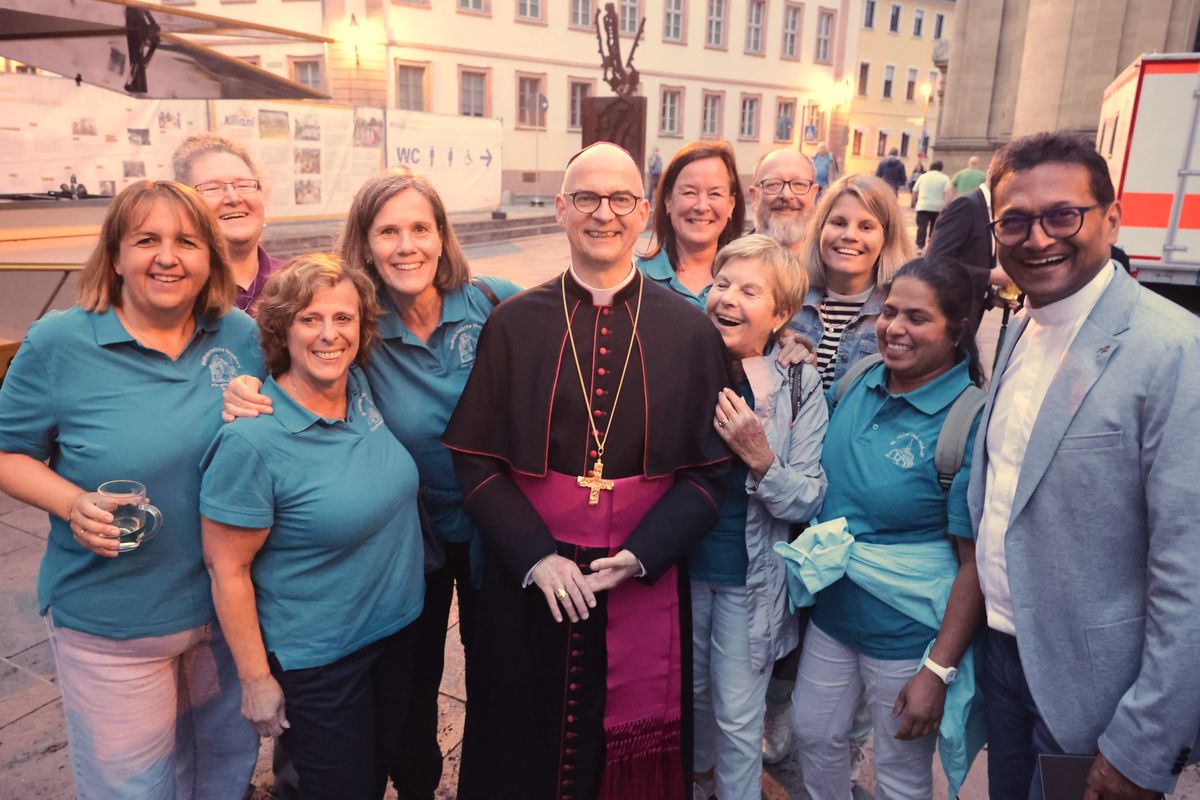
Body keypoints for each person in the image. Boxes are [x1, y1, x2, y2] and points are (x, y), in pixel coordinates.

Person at [220, 167, 522, 800]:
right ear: (365, 241)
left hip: (497, 531)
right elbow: (276, 364)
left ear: (443, 237)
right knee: (412, 694)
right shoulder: (354, 324)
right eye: (388, 231)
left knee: (502, 678)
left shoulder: (495, 303)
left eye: (420, 227)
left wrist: (769, 337)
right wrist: (240, 389)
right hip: (411, 542)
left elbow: (580, 330)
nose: (406, 245)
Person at [442, 142, 730, 799]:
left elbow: (710, 475)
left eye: (621, 199)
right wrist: (536, 557)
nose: (605, 214)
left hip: (637, 577)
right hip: (533, 583)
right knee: (520, 741)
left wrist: (643, 554)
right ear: (559, 210)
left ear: (643, 213)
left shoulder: (689, 333)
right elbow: (475, 460)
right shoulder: (514, 325)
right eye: (587, 199)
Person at [0, 180, 262, 798]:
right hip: (115, 622)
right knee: (135, 789)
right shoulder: (58, 343)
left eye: (187, 242)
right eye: (147, 239)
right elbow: (8, 451)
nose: (167, 257)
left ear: (210, 259)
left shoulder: (240, 335)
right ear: (114, 254)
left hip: (228, 617)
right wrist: (70, 501)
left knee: (223, 779)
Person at [972, 130, 1200, 800]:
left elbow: (1188, 573)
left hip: (1101, 694)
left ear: (1112, 217)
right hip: (1006, 661)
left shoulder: (1173, 351)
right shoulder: (1021, 324)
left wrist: (1144, 743)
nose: (1038, 238)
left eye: (1062, 215)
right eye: (1015, 220)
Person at [201, 254, 425, 799]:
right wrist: (256, 681)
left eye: (343, 319)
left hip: (399, 634)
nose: (329, 335)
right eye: (310, 319)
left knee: (383, 771)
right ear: (281, 329)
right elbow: (226, 567)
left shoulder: (359, 390)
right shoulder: (251, 440)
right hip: (323, 661)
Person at [790, 257, 986, 800]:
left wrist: (938, 670)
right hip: (833, 615)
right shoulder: (857, 380)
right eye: (890, 311)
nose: (895, 328)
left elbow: (974, 565)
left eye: (917, 318)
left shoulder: (967, 420)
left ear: (957, 331)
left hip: (907, 633)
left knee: (899, 773)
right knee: (814, 733)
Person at [691, 235, 828, 800]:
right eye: (721, 284)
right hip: (675, 574)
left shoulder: (798, 382)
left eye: (750, 290)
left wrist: (761, 457)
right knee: (688, 706)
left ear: (782, 314)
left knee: (738, 721)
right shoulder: (679, 360)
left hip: (752, 585)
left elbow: (810, 498)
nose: (728, 298)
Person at [789, 175, 916, 388]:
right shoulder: (790, 299)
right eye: (838, 223)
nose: (850, 235)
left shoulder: (900, 315)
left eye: (866, 227)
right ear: (820, 230)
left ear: (887, 238)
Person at [173, 134, 279, 314]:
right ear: (183, 206)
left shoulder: (298, 282)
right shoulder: (174, 292)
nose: (233, 198)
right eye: (211, 187)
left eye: (244, 185)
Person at [637, 139, 744, 308]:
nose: (702, 206)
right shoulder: (637, 280)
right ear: (668, 201)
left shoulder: (750, 280)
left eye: (714, 193)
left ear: (731, 204)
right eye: (689, 192)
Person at [747, 147, 818, 254]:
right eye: (773, 184)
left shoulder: (830, 266)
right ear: (754, 197)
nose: (786, 195)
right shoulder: (732, 264)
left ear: (813, 194)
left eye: (799, 184)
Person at [912, 160, 951, 250]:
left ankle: (919, 246)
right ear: (941, 168)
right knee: (935, 227)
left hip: (922, 205)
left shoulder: (923, 176)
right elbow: (947, 193)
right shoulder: (944, 178)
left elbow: (915, 190)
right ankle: (931, 246)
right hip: (938, 207)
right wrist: (947, 205)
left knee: (921, 226)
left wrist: (913, 202)